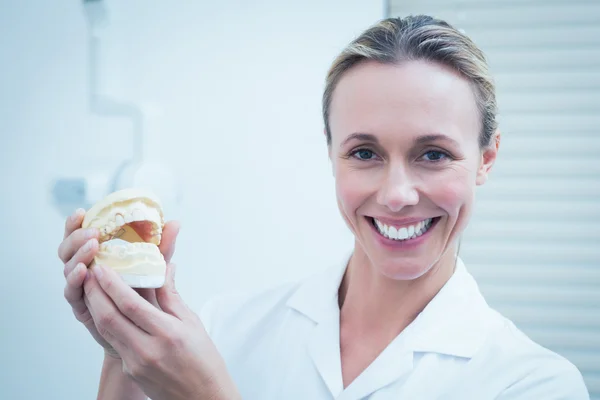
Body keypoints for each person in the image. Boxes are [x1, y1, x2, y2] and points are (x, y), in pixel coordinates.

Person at [57, 15, 590, 400]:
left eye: (433, 154)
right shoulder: (222, 329)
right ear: (332, 153)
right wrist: (121, 348)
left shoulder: (532, 383)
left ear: (486, 159)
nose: (398, 193)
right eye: (364, 153)